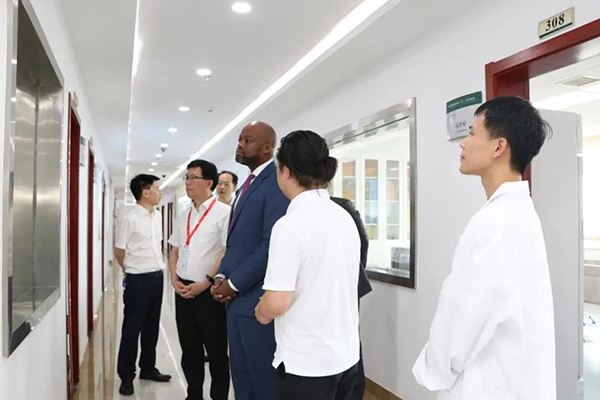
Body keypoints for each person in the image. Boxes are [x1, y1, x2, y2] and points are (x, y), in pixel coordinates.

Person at [412, 96, 555, 399]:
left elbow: (461, 320)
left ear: (498, 147)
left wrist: (432, 370)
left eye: (472, 133)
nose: (463, 144)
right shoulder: (521, 213)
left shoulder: (491, 223)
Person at [255, 130, 361, 400]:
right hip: (347, 357)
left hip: (307, 366)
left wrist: (261, 312)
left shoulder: (289, 226)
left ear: (286, 172)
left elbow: (276, 303)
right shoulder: (344, 216)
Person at [211, 121, 289, 400]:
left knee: (261, 380)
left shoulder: (275, 183)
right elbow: (236, 242)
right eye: (240, 139)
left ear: (267, 148)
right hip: (236, 303)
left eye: (248, 140)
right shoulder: (247, 184)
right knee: (241, 378)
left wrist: (234, 283)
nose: (240, 145)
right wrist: (222, 275)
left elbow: (271, 244)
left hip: (256, 301)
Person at [168, 160, 231, 400]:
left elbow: (226, 251)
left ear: (209, 182)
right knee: (189, 349)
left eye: (193, 177)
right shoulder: (184, 214)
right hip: (183, 290)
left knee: (216, 352)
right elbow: (174, 249)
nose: (188, 182)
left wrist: (205, 282)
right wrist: (174, 279)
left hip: (209, 293)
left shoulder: (223, 213)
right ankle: (193, 394)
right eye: (186, 177)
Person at [114, 174, 172, 396]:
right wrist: (130, 269)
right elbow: (119, 250)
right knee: (132, 329)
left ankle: (148, 368)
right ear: (145, 192)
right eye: (157, 188)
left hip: (157, 278)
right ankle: (126, 376)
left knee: (151, 327)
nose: (160, 192)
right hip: (138, 279)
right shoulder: (129, 219)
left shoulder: (157, 216)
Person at [331, 196, 372, 399]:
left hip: (345, 289)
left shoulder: (342, 207)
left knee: (349, 341)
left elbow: (362, 242)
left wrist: (349, 276)